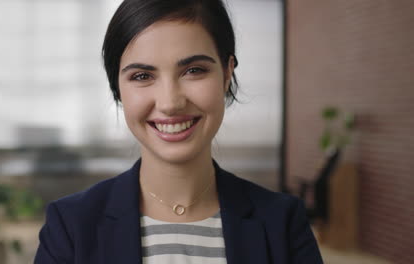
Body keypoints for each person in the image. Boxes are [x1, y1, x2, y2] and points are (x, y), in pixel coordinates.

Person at [35, 0, 323, 263]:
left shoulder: (283, 223)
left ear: (226, 74)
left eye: (194, 70)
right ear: (118, 88)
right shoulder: (70, 226)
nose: (170, 103)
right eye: (142, 76)